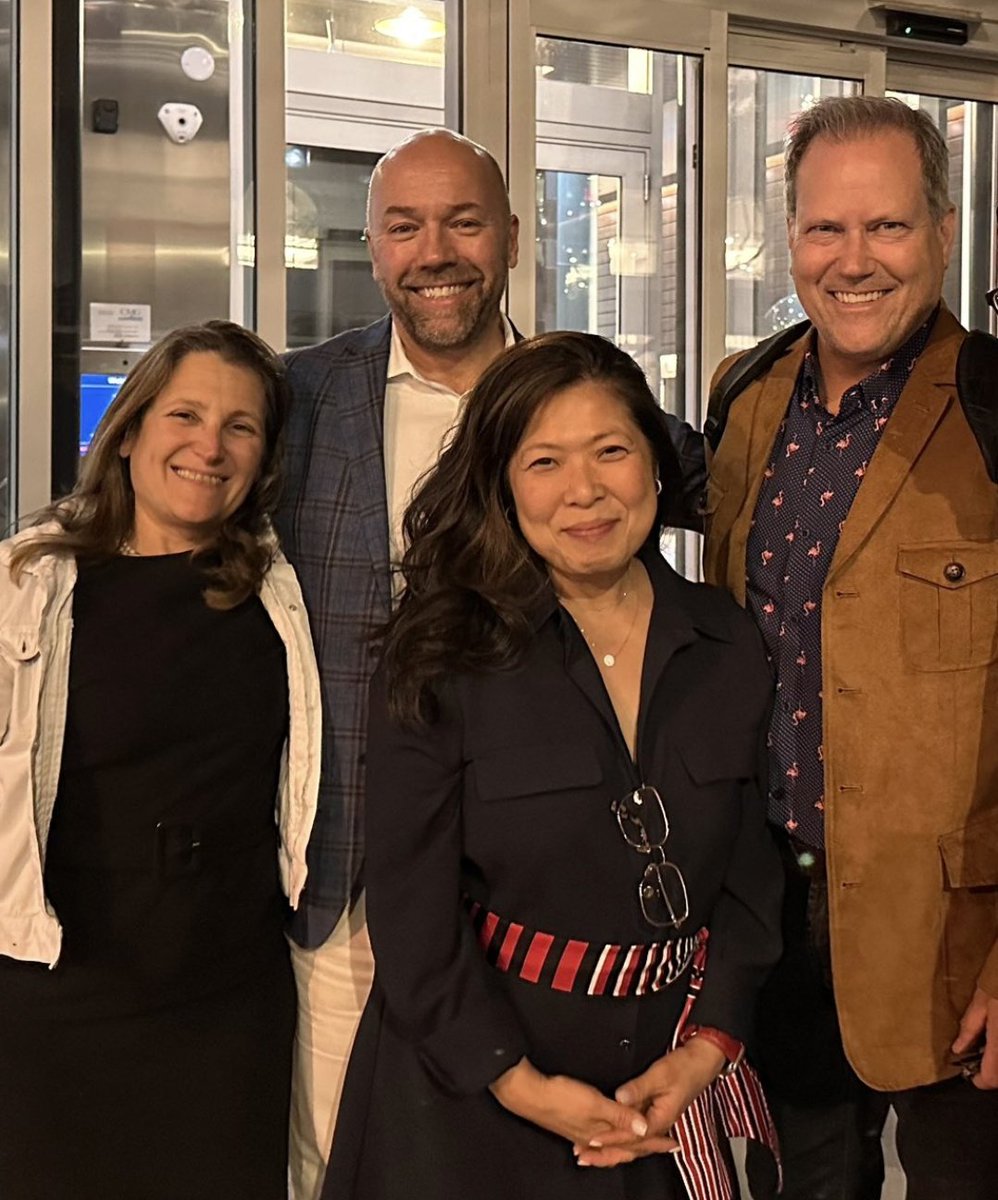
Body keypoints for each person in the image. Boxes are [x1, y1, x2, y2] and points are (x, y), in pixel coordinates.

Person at [275, 127, 706, 1199]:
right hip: (352, 881)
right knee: (352, 1162)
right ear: (372, 245)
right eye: (405, 226)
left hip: (554, 898)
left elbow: (729, 497)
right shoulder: (300, 402)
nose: (436, 252)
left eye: (464, 222)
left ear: (512, 236)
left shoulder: (580, 394)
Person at [323, 331, 781, 1200]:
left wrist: (710, 1044)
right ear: (501, 483)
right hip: (470, 1097)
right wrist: (514, 1080)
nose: (584, 491)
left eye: (611, 451)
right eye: (544, 462)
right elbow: (412, 904)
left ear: (657, 465)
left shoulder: (728, 641)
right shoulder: (440, 651)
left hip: (666, 1090)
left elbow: (751, 880)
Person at [701, 95, 998, 1200]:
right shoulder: (745, 396)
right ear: (791, 237)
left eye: (887, 226)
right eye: (825, 228)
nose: (853, 260)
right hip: (770, 913)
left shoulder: (992, 407)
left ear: (942, 231)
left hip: (955, 941)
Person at [0, 320, 321, 1199]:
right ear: (130, 429)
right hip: (57, 991)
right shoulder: (27, 583)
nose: (209, 448)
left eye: (240, 427)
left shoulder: (279, 590)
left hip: (226, 999)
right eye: (185, 415)